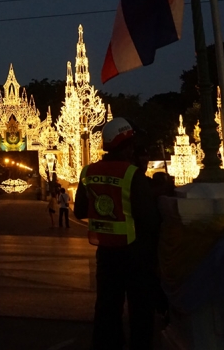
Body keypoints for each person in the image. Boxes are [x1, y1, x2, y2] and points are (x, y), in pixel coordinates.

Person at [73, 117, 158, 350]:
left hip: (105, 253)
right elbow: (148, 219)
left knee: (107, 309)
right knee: (140, 310)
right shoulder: (132, 175)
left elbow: (79, 211)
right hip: (135, 253)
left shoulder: (88, 172)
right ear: (128, 146)